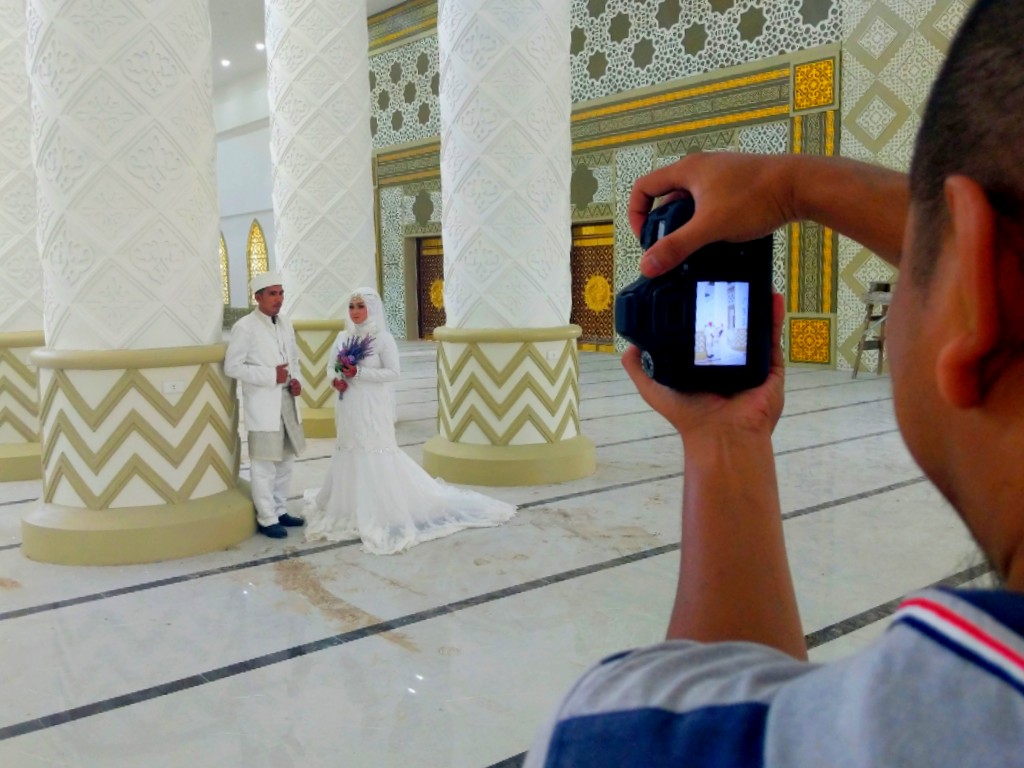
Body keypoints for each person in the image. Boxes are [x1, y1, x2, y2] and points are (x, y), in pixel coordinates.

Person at [526, 1, 1024, 765]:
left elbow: (722, 706)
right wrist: (792, 186)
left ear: (980, 295)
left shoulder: (639, 740)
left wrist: (799, 185)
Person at [304, 287, 516, 554]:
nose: (355, 312)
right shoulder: (342, 337)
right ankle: (347, 504)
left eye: (360, 306)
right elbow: (329, 366)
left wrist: (358, 372)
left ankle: (381, 505)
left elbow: (393, 372)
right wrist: (336, 379)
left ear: (372, 309)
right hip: (347, 404)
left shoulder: (383, 339)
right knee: (349, 445)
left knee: (374, 447)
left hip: (372, 404)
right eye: (351, 307)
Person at [224, 271, 307, 539]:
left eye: (281, 293)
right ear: (257, 297)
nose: (278, 299)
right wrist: (271, 376)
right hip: (263, 405)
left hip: (287, 402)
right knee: (264, 465)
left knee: (285, 460)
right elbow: (233, 366)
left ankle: (280, 509)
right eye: (272, 293)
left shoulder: (284, 323)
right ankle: (267, 518)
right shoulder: (245, 327)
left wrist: (295, 381)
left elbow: (293, 359)